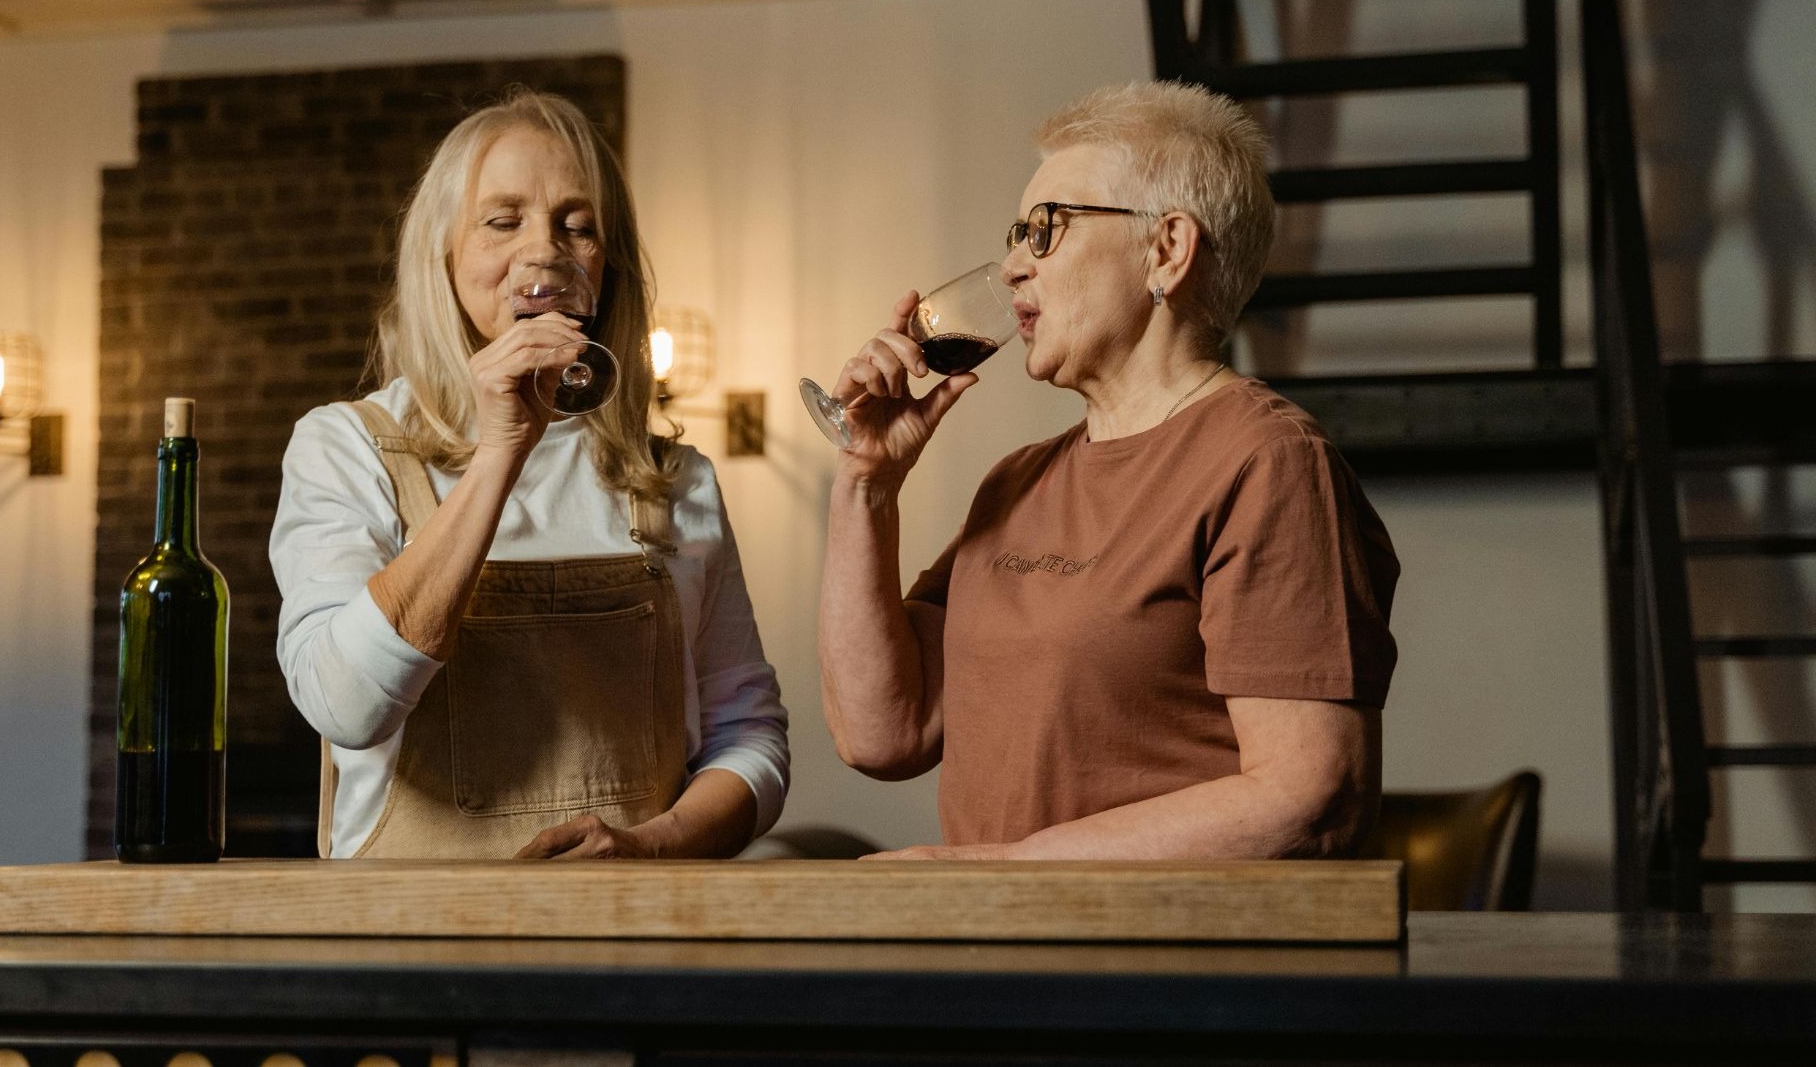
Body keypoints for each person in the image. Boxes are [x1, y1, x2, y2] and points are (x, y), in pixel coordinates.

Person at [817, 79, 1397, 860]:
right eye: (1017, 232)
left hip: (1163, 972)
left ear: (1167, 249)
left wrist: (997, 874)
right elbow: (883, 730)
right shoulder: (1016, 482)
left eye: (1046, 229)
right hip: (1007, 963)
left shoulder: (1267, 462)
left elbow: (1311, 792)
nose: (1014, 265)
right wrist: (866, 483)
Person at [271, 89, 788, 860]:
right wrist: (500, 452)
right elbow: (345, 705)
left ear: (605, 265)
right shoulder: (347, 448)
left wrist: (651, 845)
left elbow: (751, 739)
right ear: (443, 253)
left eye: (576, 226)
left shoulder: (671, 480)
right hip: (406, 947)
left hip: (625, 943)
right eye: (502, 221)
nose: (541, 252)